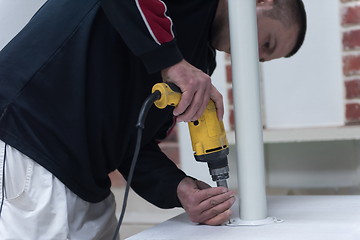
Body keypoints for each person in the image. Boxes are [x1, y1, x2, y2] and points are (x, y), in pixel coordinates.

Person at [0, 0, 306, 239]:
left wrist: (178, 189)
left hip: (86, 182)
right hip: (31, 138)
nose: (251, 56)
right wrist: (170, 62)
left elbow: (136, 144)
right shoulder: (183, 47)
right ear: (262, 2)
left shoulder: (199, 60)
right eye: (265, 44)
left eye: (262, 58)